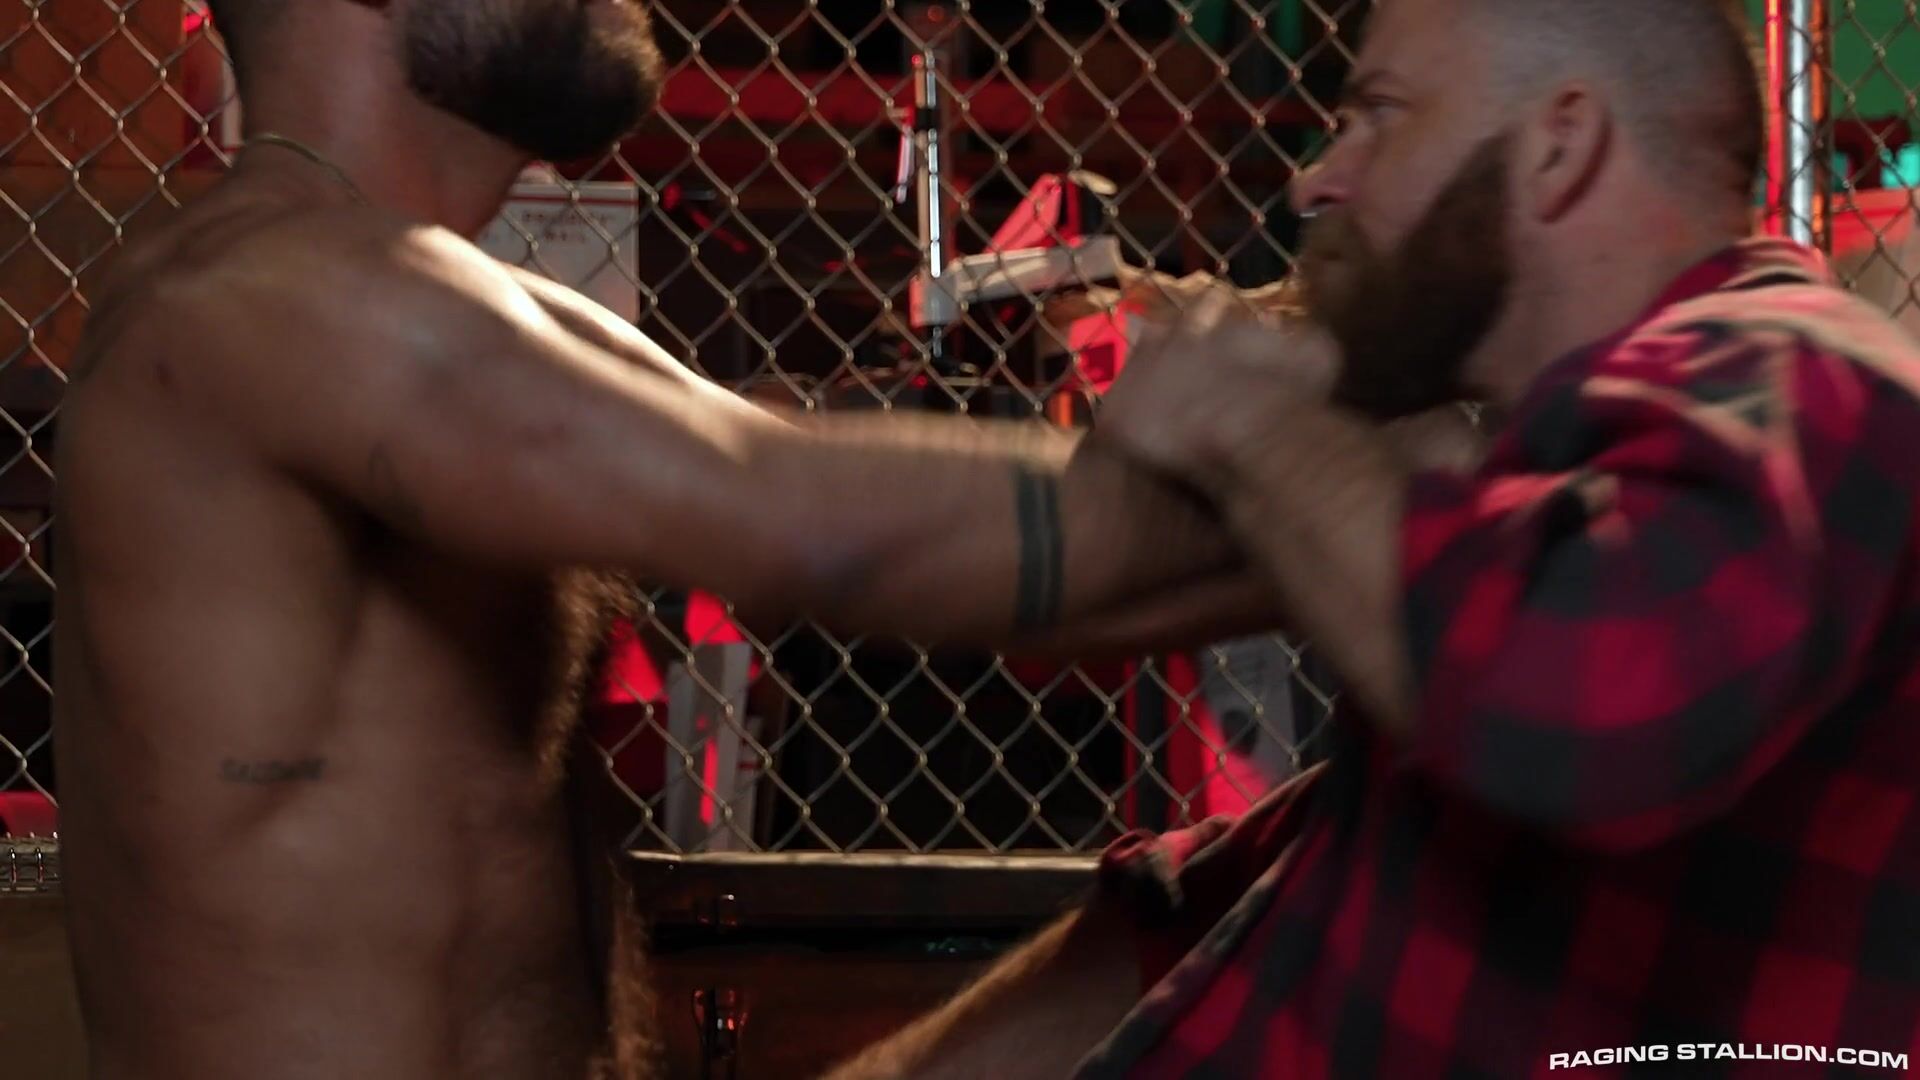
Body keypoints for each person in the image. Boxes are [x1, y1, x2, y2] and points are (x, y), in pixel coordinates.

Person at [47, 1, 1267, 1077]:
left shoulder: (447, 304)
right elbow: (806, 521)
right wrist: (1342, 487)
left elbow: (806, 477)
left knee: (1219, 902)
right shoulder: (266, 296)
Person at [829, 1, 1920, 1076]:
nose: (1313, 180)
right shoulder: (1550, 497)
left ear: (1560, 142)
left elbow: (1575, 710)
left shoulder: (1801, 383)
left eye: (1381, 114)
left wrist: (1252, 425)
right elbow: (1233, 908)